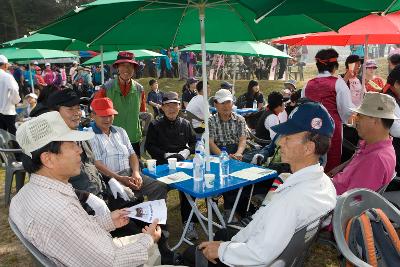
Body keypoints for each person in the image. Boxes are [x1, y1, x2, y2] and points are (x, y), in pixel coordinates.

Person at [184, 101, 337, 266]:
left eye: (288, 138)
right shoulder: (325, 185)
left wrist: (221, 250)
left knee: (191, 254)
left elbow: (260, 254)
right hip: (279, 253)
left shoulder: (292, 200)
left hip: (256, 257)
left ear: (308, 148)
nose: (280, 143)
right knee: (222, 233)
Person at [9, 111, 164, 266]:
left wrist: (108, 221)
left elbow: (74, 233)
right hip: (109, 258)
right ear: (48, 159)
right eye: (72, 145)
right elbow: (113, 262)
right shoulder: (61, 210)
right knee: (153, 250)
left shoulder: (25, 195)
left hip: (91, 253)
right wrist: (148, 240)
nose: (80, 150)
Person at [89, 97, 168, 202]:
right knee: (128, 196)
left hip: (130, 173)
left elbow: (132, 155)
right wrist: (120, 179)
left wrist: (136, 173)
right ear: (93, 116)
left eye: (110, 115)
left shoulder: (120, 131)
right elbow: (97, 164)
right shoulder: (89, 135)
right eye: (103, 116)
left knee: (159, 185)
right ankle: (137, 215)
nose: (107, 119)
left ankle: (156, 216)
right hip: (110, 179)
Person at [145, 91, 198, 240]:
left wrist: (187, 151)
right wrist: (165, 155)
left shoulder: (185, 124)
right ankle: (160, 225)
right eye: (167, 105)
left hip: (182, 164)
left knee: (191, 187)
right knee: (157, 188)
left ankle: (189, 224)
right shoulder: (155, 125)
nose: (171, 109)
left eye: (174, 105)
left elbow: (194, 142)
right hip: (163, 166)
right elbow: (150, 146)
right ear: (162, 107)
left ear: (179, 106)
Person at [329, 92, 397, 195]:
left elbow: (352, 202)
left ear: (375, 120)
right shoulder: (374, 146)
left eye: (360, 116)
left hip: (331, 201)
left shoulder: (375, 159)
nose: (355, 119)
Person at [302, 48, 354, 172]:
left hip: (310, 128)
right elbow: (346, 110)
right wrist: (347, 120)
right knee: (332, 162)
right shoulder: (338, 83)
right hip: (332, 129)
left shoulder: (308, 84)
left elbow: (303, 107)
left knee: (312, 160)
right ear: (334, 67)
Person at [94, 51, 146, 157]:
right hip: (111, 138)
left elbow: (142, 111)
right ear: (117, 67)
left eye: (130, 66)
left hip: (133, 137)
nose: (126, 69)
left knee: (134, 169)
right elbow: (95, 110)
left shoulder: (139, 89)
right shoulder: (107, 88)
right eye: (122, 65)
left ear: (134, 68)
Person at [209, 89, 248, 218]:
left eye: (228, 102)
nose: (226, 106)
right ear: (215, 104)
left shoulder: (240, 119)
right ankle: (227, 209)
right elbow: (210, 143)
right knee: (225, 170)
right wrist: (224, 156)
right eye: (222, 103)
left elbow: (243, 139)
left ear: (232, 103)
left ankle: (236, 208)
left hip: (235, 150)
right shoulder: (210, 120)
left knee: (241, 173)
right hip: (217, 152)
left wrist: (238, 153)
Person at [0, 55, 21, 135]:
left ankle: (4, 147)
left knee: (2, 134)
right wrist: (16, 101)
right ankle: (15, 147)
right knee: (13, 133)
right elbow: (14, 89)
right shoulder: (7, 76)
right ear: (5, 65)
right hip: (8, 110)